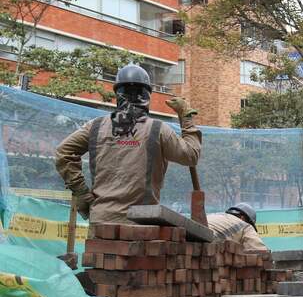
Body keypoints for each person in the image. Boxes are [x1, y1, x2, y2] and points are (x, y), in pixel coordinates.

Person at [55, 64, 202, 224]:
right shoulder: (157, 129)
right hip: (142, 221)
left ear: (118, 93)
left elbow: (64, 152)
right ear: (147, 95)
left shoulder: (95, 127)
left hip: (102, 220)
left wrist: (81, 192)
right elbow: (191, 156)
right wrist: (186, 117)